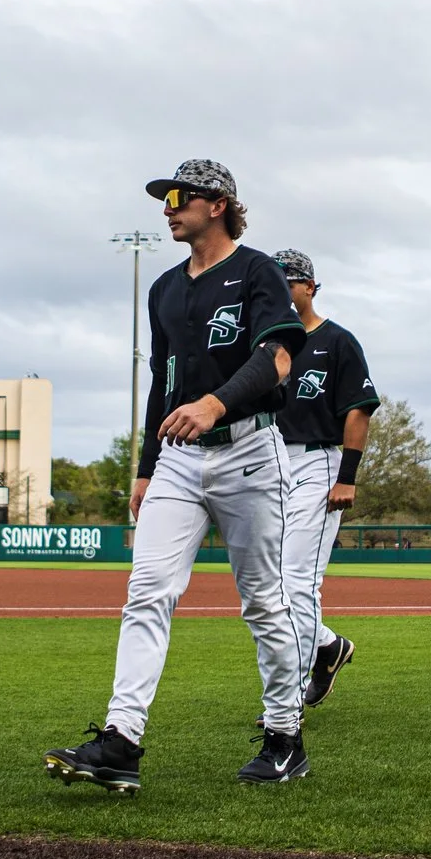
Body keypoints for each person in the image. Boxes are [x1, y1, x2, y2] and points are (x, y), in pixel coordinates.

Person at [45, 161, 310, 793]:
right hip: (179, 461)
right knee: (147, 591)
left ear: (217, 205)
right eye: (164, 198)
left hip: (250, 453)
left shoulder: (258, 271)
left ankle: (284, 736)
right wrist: (145, 468)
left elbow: (277, 359)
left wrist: (216, 404)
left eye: (179, 196)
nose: (167, 207)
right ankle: (121, 741)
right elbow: (160, 383)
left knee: (265, 601)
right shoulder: (164, 286)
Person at [270, 248, 381, 709]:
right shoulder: (263, 345)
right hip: (267, 464)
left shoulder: (337, 341)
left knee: (296, 580)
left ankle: (288, 697)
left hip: (317, 462)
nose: (279, 291)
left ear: (309, 287)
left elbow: (358, 411)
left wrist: (347, 477)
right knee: (268, 586)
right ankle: (328, 646)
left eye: (287, 282)